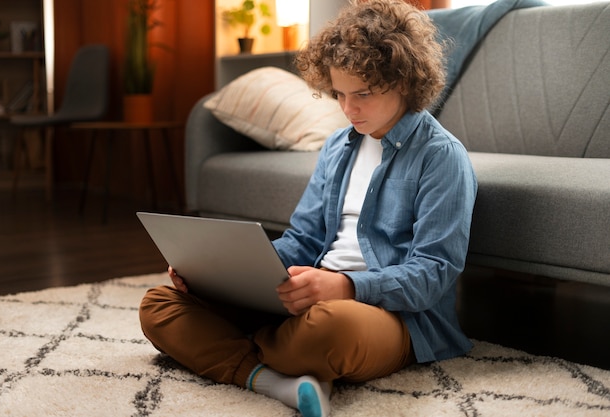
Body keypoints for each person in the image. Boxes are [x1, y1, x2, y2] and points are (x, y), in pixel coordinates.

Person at [139, 1, 477, 416]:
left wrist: (347, 287)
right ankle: (276, 379)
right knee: (158, 305)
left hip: (390, 316)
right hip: (307, 299)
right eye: (339, 94)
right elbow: (303, 239)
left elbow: (434, 273)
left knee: (328, 329)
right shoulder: (339, 147)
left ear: (404, 81)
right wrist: (221, 274)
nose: (348, 109)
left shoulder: (441, 157)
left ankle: (242, 346)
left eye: (363, 95)